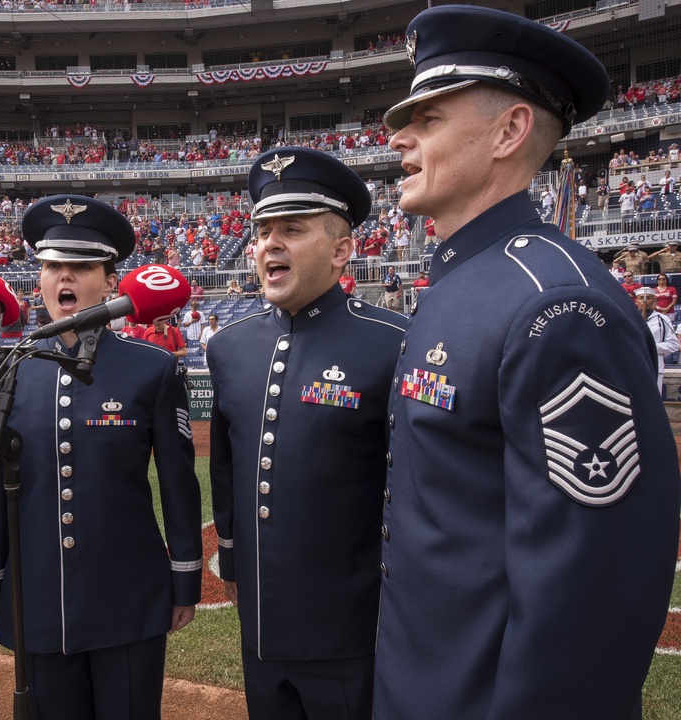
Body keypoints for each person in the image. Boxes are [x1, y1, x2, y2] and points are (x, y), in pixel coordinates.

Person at [375, 8, 680, 720]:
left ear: (509, 132)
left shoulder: (558, 304)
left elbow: (591, 594)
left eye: (427, 116)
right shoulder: (466, 282)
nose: (398, 137)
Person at [0, 194, 202, 720]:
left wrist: (185, 577)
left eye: (82, 266)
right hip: (34, 597)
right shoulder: (7, 367)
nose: (66, 278)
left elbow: (177, 480)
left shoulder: (151, 368)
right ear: (38, 278)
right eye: (54, 265)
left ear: (109, 281)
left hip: (128, 597)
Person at [208, 147, 407, 720]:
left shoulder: (393, 342)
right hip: (261, 634)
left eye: (292, 230)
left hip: (350, 636)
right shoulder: (229, 348)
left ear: (342, 249)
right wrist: (231, 559)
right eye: (262, 231)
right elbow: (224, 469)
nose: (270, 243)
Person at [635, 286, 680, 393]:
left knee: (653, 397)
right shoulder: (629, 318)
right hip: (635, 364)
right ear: (636, 301)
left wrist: (651, 346)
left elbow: (674, 344)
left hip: (655, 365)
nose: (644, 301)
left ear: (654, 300)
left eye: (649, 298)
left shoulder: (662, 319)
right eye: (641, 298)